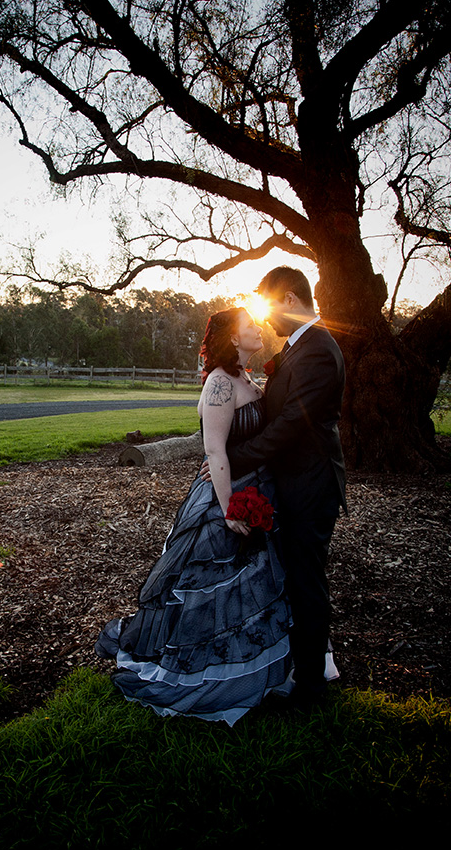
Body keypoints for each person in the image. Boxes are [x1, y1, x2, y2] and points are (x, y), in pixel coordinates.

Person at [95, 308, 293, 725]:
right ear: (233, 339)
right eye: (250, 326)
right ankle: (207, 671)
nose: (258, 328)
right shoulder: (221, 383)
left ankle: (258, 664)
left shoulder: (244, 378)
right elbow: (215, 451)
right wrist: (229, 510)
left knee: (254, 587)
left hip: (259, 491)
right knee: (212, 586)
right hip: (226, 497)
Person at [218, 267, 346, 713]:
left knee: (306, 581)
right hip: (292, 482)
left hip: (310, 486)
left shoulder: (317, 352)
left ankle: (311, 688)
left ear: (289, 299)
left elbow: (292, 424)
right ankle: (298, 666)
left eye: (270, 308)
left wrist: (233, 460)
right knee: (293, 577)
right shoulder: (300, 348)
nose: (267, 321)